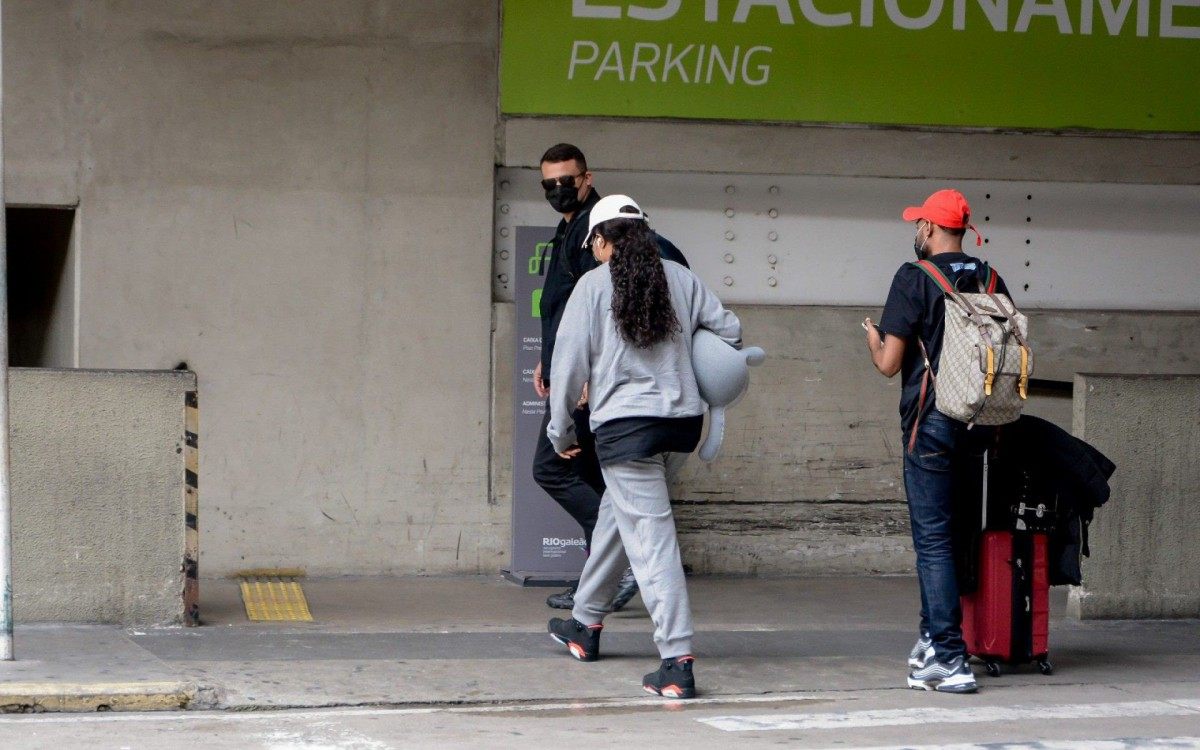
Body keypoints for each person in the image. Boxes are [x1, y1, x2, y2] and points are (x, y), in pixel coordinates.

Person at [544, 195, 741, 700]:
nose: (593, 252)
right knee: (618, 515)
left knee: (652, 543)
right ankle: (585, 623)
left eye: (594, 244)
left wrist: (560, 432)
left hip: (626, 431)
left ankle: (676, 659)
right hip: (679, 427)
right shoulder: (681, 278)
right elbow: (730, 330)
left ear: (603, 241)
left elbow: (567, 367)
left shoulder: (591, 287)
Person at [864, 188, 1009, 695]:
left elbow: (888, 365)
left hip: (931, 424)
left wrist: (873, 339)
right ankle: (932, 639)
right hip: (982, 426)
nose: (916, 230)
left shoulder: (914, 278)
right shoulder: (991, 278)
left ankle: (949, 658)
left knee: (933, 541)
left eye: (918, 223)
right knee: (953, 536)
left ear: (928, 228)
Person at [532, 143, 688, 611]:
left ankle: (612, 572)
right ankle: (604, 578)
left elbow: (618, 296)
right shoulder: (567, 232)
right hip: (574, 376)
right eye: (548, 184)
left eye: (566, 181)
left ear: (586, 177)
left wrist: (581, 376)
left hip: (589, 385)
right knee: (589, 474)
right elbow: (564, 310)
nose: (558, 190)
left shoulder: (598, 229)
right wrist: (548, 357)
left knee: (552, 467)